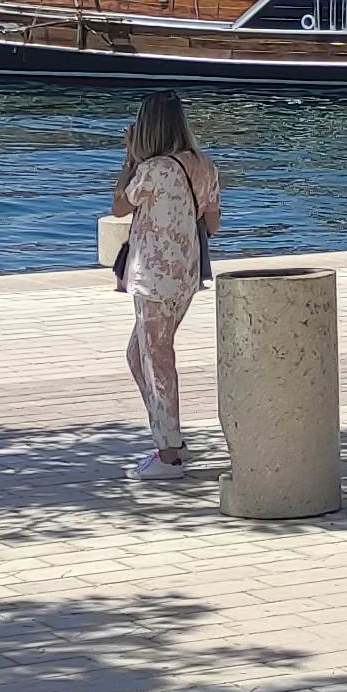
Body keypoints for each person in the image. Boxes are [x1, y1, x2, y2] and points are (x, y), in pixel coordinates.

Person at [109, 90, 222, 469]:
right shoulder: (205, 165)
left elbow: (119, 206)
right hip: (186, 275)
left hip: (152, 278)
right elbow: (213, 225)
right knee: (139, 356)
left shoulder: (152, 169)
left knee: (156, 360)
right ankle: (170, 438)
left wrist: (129, 158)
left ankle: (168, 453)